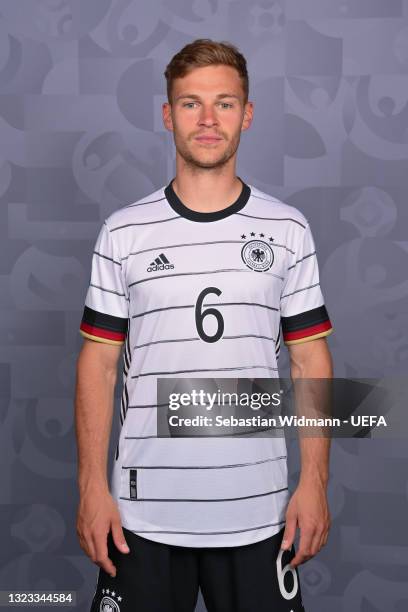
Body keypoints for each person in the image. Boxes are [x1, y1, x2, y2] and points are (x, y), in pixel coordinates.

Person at [75, 38, 333, 612]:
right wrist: (92, 486)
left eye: (224, 102)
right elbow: (98, 362)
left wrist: (314, 483)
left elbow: (309, 358)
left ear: (248, 112)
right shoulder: (125, 233)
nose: (209, 119)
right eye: (191, 103)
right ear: (168, 116)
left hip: (259, 512)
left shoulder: (288, 229)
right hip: (142, 516)